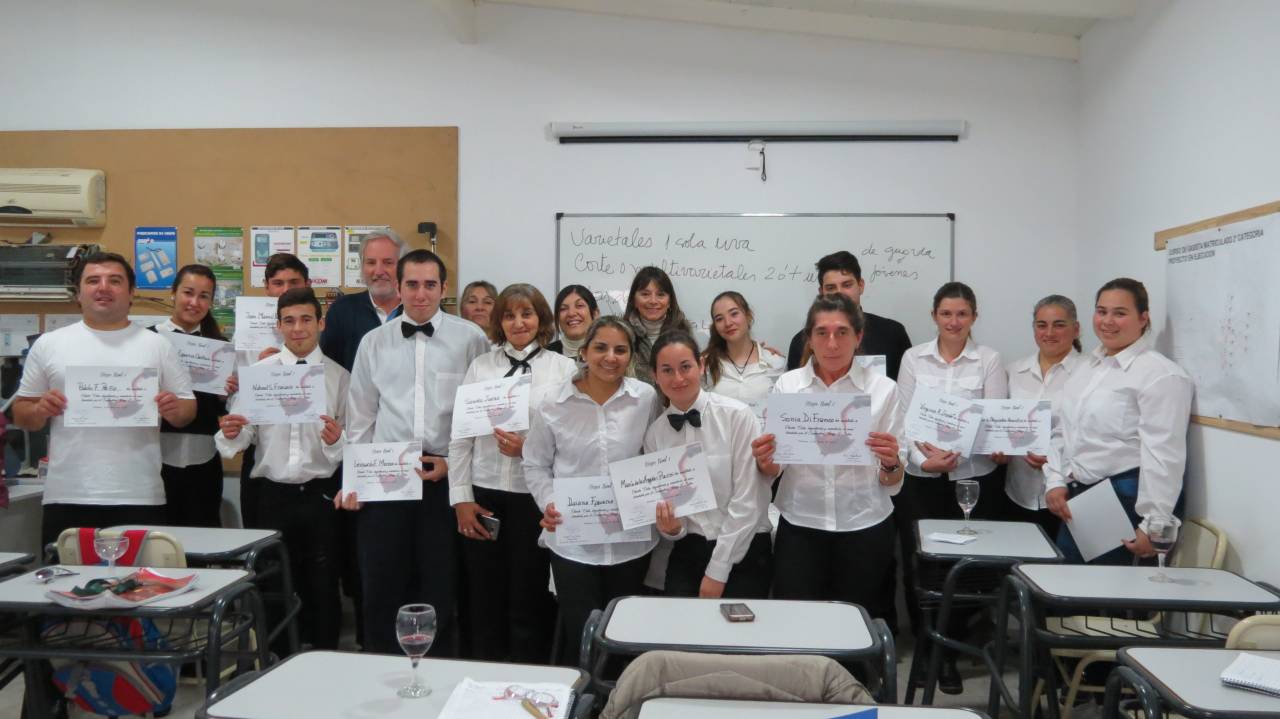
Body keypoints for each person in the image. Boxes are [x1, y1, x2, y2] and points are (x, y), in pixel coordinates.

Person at [339, 249, 490, 656]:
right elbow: (360, 418)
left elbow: (480, 415)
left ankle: (437, 674)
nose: (420, 294)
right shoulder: (373, 342)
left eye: (429, 285)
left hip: (444, 480)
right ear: (398, 286)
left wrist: (453, 467)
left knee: (440, 586)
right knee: (382, 585)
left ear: (444, 288)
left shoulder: (471, 339)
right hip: (385, 481)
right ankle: (380, 669)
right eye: (412, 284)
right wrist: (355, 482)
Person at [13, 252, 196, 547]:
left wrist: (175, 409)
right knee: (67, 575)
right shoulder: (49, 344)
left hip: (140, 494)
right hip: (68, 494)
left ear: (131, 292)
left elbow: (187, 409)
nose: (103, 288)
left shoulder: (158, 346)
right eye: (93, 280)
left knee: (139, 576)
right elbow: (22, 413)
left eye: (115, 281)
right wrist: (39, 409)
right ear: (78, 293)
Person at [750, 294, 905, 626]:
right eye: (822, 332)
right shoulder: (789, 385)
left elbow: (892, 482)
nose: (832, 343)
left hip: (864, 524)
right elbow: (776, 467)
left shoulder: (883, 390)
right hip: (801, 526)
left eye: (842, 332)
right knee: (798, 625)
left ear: (858, 337)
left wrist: (892, 463)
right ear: (809, 337)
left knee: (856, 625)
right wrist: (765, 460)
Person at [448, 283, 577, 662]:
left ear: (541, 318)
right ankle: (484, 674)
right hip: (484, 494)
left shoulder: (563, 369)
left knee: (529, 595)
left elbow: (572, 440)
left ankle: (528, 675)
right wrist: (461, 499)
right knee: (483, 594)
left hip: (533, 498)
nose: (518, 323)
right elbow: (460, 438)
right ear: (499, 321)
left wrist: (528, 449)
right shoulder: (481, 367)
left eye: (527, 314)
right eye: (509, 315)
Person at [215, 288, 349, 650]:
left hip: (320, 496)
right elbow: (242, 435)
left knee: (323, 583)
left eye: (306, 319)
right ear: (278, 326)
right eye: (289, 321)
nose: (298, 328)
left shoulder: (339, 377)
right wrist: (232, 432)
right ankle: (276, 659)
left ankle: (325, 656)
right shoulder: (259, 375)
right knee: (272, 582)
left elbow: (350, 444)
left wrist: (337, 440)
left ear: (320, 323)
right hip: (272, 496)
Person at [523, 317, 661, 661]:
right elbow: (535, 464)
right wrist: (549, 502)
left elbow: (656, 456)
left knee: (625, 638)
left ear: (630, 356)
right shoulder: (552, 402)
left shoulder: (645, 398)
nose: (610, 357)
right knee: (581, 637)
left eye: (620, 350)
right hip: (574, 543)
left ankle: (621, 694)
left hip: (631, 541)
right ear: (583, 352)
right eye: (601, 348)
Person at [896, 281, 1008, 693]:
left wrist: (957, 452)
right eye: (946, 313)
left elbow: (994, 420)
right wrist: (924, 460)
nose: (954, 321)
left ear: (974, 317)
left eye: (962, 314)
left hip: (972, 478)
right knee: (922, 564)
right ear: (934, 316)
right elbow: (903, 419)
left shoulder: (989, 360)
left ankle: (950, 649)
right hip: (923, 478)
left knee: (965, 567)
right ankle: (928, 646)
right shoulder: (913, 358)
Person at [1045, 278, 1192, 565]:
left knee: (1110, 590)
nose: (1108, 321)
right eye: (1102, 311)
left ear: (1143, 318)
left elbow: (1164, 454)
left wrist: (1154, 523)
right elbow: (1063, 430)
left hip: (1127, 503)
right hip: (1081, 499)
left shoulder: (1160, 375)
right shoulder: (1087, 367)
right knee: (1068, 583)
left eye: (1120, 313)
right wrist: (1055, 479)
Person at [645, 330, 773, 599]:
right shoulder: (655, 434)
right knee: (676, 624)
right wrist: (673, 528)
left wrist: (718, 570)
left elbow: (751, 499)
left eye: (685, 367)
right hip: (688, 550)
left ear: (701, 365)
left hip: (744, 546)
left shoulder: (737, 416)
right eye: (667, 370)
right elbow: (673, 510)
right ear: (654, 375)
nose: (678, 378)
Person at [232, 253, 312, 529]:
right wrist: (257, 373)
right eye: (278, 283)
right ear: (267, 288)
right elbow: (233, 398)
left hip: (309, 455)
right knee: (262, 539)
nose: (285, 290)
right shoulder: (244, 335)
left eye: (294, 282)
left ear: (308, 285)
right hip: (262, 451)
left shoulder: (316, 329)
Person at [995, 295, 1083, 539]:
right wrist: (999, 450)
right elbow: (1001, 425)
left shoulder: (1089, 373)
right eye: (1042, 325)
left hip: (1068, 494)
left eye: (1059, 325)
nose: (1049, 333)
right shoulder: (1013, 371)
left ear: (1076, 329)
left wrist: (1055, 458)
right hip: (1017, 493)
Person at [150, 264, 229, 528]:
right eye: (188, 293)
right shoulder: (148, 339)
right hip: (155, 458)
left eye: (204, 296)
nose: (194, 302)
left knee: (204, 532)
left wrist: (226, 397)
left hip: (204, 458)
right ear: (173, 293)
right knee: (159, 538)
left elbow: (223, 410)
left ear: (211, 302)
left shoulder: (220, 347)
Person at [786, 251, 912, 380]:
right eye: (831, 288)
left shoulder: (893, 334)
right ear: (821, 292)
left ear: (861, 286)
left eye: (847, 285)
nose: (840, 293)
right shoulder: (802, 341)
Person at [320, 229, 405, 371]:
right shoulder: (341, 311)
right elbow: (330, 369)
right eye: (371, 262)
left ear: (403, 267)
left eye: (388, 262)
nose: (378, 271)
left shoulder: (419, 310)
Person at [702, 291, 786, 421]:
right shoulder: (706, 365)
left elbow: (783, 414)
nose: (728, 323)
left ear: (748, 315)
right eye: (719, 319)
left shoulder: (776, 363)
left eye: (734, 314)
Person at [622, 267, 694, 386]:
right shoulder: (623, 333)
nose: (653, 301)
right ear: (634, 300)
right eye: (645, 294)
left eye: (660, 294)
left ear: (669, 301)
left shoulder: (683, 331)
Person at [546, 284, 599, 358]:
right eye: (563, 308)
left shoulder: (609, 352)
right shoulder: (544, 356)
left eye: (579, 306)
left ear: (595, 314)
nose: (571, 313)